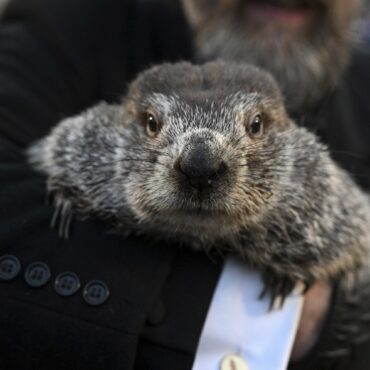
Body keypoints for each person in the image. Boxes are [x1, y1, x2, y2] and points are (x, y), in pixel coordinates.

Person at [0, 0, 369, 369]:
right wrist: (274, 319)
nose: (201, 168)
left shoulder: (362, 87)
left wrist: (335, 317)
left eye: (255, 127)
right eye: (151, 124)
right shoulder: (70, 23)